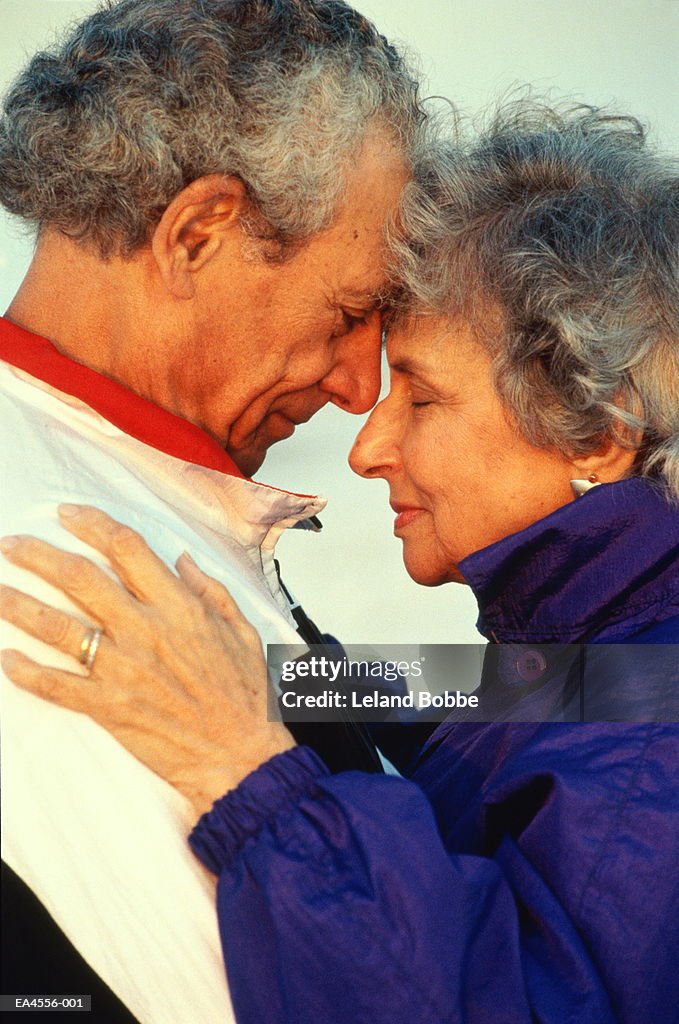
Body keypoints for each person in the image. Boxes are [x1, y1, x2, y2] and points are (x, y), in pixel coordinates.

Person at [3, 102, 679, 1022]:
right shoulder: (603, 654)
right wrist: (280, 674)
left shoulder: (652, 745)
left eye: (424, 397)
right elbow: (446, 706)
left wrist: (244, 768)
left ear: (598, 435)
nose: (366, 448)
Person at [0, 1, 424, 1020]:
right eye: (349, 314)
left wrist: (614, 678)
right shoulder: (67, 563)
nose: (359, 387)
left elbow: (355, 703)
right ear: (196, 233)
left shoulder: (127, 490)